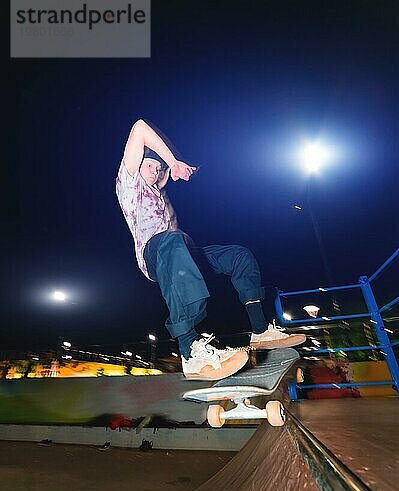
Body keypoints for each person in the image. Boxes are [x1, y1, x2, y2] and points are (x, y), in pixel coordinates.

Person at [116, 119, 305, 381]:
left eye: (158, 168)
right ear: (137, 166)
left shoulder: (159, 192)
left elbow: (165, 174)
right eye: (149, 165)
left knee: (239, 256)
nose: (154, 172)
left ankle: (260, 330)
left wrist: (173, 169)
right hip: (155, 254)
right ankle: (189, 350)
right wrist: (172, 162)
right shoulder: (129, 185)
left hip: (183, 251)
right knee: (173, 239)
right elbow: (139, 128)